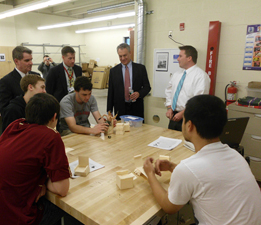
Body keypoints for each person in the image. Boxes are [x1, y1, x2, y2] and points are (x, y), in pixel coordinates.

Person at [143, 95, 261, 225]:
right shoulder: (235, 155)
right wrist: (172, 167)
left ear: (189, 126)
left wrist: (150, 174)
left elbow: (168, 207)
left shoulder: (188, 169)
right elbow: (205, 178)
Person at [0, 93, 75, 225]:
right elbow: (62, 189)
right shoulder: (51, 136)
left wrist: (40, 183)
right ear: (54, 117)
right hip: (15, 219)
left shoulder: (14, 126)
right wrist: (42, 183)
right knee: (68, 207)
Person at [165, 45, 210, 131]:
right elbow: (169, 91)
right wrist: (169, 108)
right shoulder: (177, 74)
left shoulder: (201, 76)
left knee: (186, 143)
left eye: (180, 56)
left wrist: (183, 113)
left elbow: (199, 101)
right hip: (173, 116)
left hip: (190, 117)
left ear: (189, 58)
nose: (178, 59)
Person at [107, 43, 151, 120]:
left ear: (130, 53)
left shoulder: (140, 69)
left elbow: (147, 87)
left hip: (136, 108)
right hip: (120, 109)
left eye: (125, 55)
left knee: (138, 131)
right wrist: (109, 111)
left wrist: (139, 93)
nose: (123, 58)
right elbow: (111, 92)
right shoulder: (113, 71)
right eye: (120, 56)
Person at [0, 46, 39, 117]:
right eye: (27, 60)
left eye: (31, 60)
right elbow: (5, 110)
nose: (31, 63)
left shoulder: (36, 76)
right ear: (16, 61)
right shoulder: (6, 81)